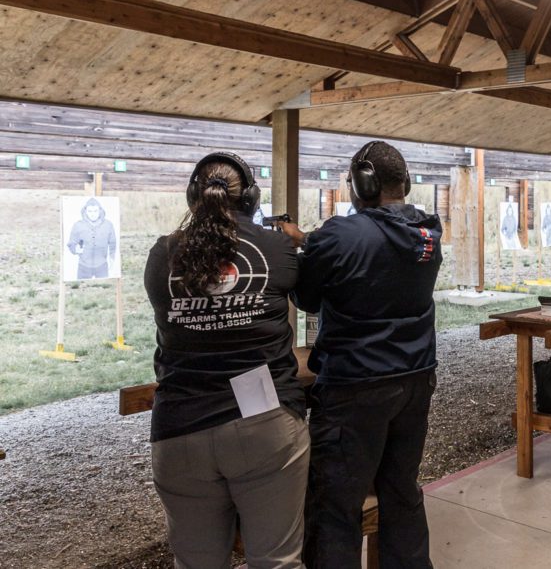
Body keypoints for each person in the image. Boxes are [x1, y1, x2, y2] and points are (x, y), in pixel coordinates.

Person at [281, 141, 443, 569]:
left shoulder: (339, 234)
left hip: (356, 385)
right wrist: (310, 239)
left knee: (337, 503)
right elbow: (372, 245)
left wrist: (306, 247)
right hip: (415, 379)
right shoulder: (429, 231)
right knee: (401, 491)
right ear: (403, 182)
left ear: (362, 183)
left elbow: (309, 298)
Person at [143, 152, 308, 569]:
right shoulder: (275, 247)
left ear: (192, 196)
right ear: (251, 198)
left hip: (180, 424)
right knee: (277, 562)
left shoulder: (162, 255)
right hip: (265, 421)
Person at [67, 197, 117, 279]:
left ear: (100, 211)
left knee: (104, 289)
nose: (93, 214)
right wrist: (76, 249)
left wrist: (112, 261)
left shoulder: (108, 225)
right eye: (90, 211)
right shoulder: (78, 225)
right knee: (82, 289)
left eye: (95, 211)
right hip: (83, 266)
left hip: (102, 266)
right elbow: (71, 243)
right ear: (85, 211)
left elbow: (113, 244)